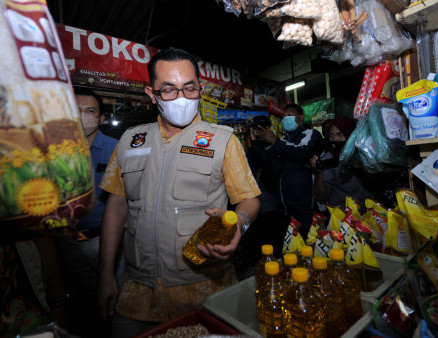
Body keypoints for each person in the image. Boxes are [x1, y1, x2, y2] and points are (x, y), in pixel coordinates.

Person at [97, 47, 260, 337]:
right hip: (137, 289)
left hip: (204, 287)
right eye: (169, 90)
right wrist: (106, 274)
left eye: (189, 88)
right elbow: (117, 206)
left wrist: (240, 225)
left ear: (200, 87)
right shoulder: (130, 140)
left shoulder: (223, 140)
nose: (182, 98)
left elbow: (249, 199)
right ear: (151, 93)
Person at [56, 88, 124, 337]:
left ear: (101, 118)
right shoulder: (51, 152)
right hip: (64, 243)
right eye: (75, 111)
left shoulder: (117, 149)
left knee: (111, 306)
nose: (81, 116)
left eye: (89, 111)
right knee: (75, 305)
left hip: (104, 244)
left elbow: (122, 204)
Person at [255, 104, 323, 249]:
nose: (286, 119)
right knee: (288, 249)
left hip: (305, 208)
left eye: (290, 115)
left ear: (301, 118)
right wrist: (259, 142)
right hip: (284, 207)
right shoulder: (282, 139)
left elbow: (301, 152)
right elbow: (267, 162)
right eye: (284, 116)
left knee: (307, 247)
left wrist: (276, 142)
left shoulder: (311, 134)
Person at [233, 115, 283, 279]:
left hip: (271, 206)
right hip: (254, 207)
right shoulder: (253, 148)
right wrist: (254, 142)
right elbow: (249, 170)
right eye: (255, 128)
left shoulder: (276, 147)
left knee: (270, 246)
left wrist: (264, 143)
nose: (258, 131)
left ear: (268, 128)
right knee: (257, 246)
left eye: (261, 128)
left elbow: (272, 172)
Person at [311, 117, 373, 210]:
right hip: (344, 217)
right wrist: (319, 172)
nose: (335, 139)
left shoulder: (364, 153)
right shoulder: (328, 160)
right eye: (331, 135)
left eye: (340, 134)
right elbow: (321, 196)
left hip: (371, 212)